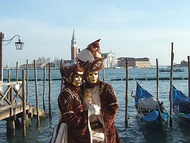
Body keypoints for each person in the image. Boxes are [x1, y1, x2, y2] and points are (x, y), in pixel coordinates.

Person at [77, 39, 121, 143]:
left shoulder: (106, 88)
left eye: (95, 74)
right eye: (90, 75)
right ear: (86, 76)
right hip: (87, 130)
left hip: (104, 129)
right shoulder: (81, 89)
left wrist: (100, 112)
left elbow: (114, 108)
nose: (93, 77)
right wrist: (87, 114)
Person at [50, 63, 100, 143]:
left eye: (80, 77)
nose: (79, 79)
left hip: (78, 131)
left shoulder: (75, 92)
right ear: (69, 78)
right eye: (76, 77)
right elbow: (70, 119)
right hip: (70, 133)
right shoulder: (66, 94)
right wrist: (88, 113)